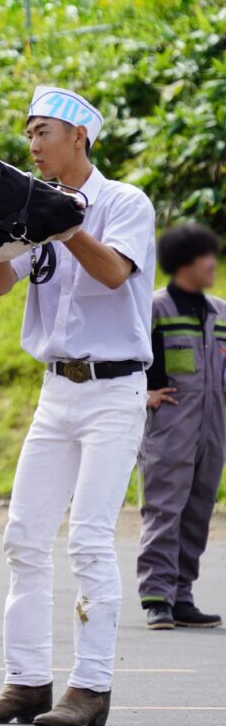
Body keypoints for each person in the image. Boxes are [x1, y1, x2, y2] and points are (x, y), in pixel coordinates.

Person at [0, 85, 156, 726]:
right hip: (56, 391)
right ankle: (26, 682)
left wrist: (61, 223)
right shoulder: (34, 208)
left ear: (79, 137)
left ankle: (91, 689)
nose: (32, 144)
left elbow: (113, 274)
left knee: (91, 541)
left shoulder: (124, 203)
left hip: (113, 391)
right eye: (28, 133)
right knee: (24, 537)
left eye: (42, 131)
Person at [137, 223, 224, 630]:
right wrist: (144, 394)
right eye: (206, 255)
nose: (213, 262)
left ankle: (182, 594)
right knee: (164, 508)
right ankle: (157, 597)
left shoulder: (221, 312)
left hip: (213, 427)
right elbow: (130, 358)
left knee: (198, 509)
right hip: (170, 426)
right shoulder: (154, 308)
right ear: (184, 263)